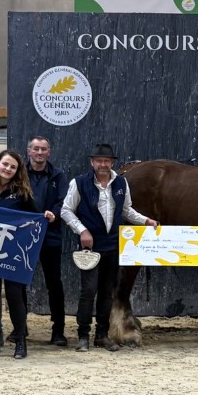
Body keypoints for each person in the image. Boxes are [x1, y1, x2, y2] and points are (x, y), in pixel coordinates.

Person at [61, 143, 156, 353]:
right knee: (88, 291)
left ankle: (101, 335)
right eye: (99, 161)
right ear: (92, 162)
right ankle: (83, 335)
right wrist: (82, 231)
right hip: (89, 246)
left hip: (112, 245)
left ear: (112, 162)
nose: (102, 164)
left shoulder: (121, 182)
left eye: (106, 161)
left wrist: (145, 221)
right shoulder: (79, 183)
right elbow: (66, 210)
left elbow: (126, 210)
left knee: (107, 292)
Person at [0, 150, 54, 360]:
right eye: (5, 164)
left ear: (18, 171)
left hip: (13, 252)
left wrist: (46, 215)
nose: (8, 169)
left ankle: (20, 340)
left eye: (13, 167)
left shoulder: (22, 193)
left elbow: (36, 216)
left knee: (14, 295)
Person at [27, 136, 69, 346]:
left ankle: (58, 330)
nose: (39, 152)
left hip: (50, 236)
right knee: (18, 283)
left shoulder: (58, 175)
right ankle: (19, 329)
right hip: (23, 237)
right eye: (36, 149)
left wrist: (55, 213)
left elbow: (64, 201)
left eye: (43, 149)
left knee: (54, 284)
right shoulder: (19, 173)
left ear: (49, 152)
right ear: (29, 151)